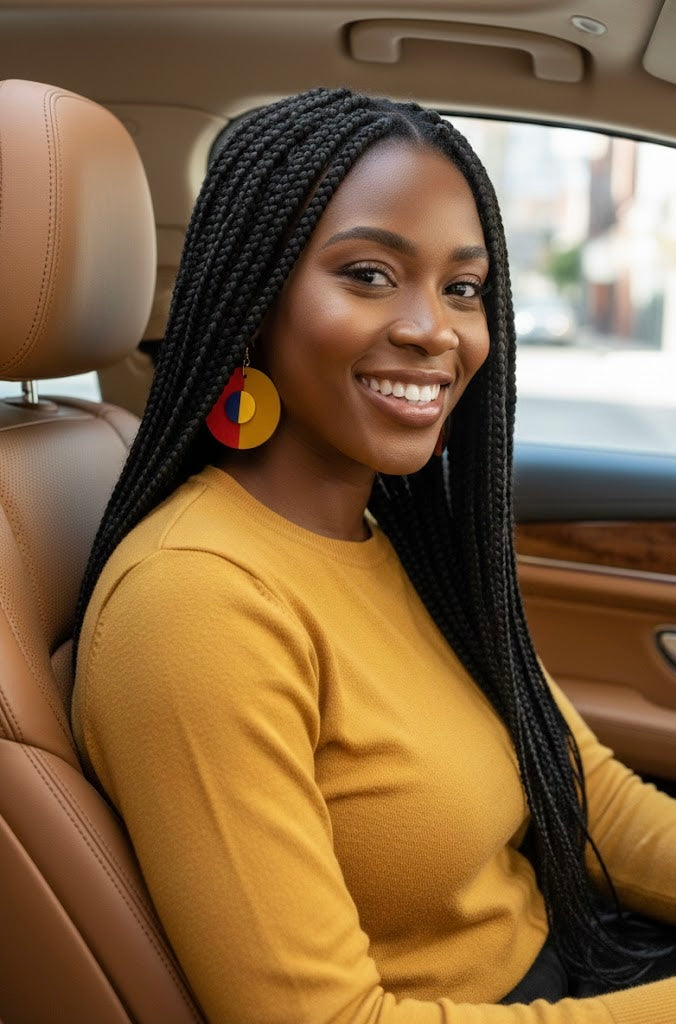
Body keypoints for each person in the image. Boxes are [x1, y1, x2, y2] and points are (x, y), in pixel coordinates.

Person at [71, 88, 676, 1023]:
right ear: (255, 299)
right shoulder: (196, 602)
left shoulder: (402, 541)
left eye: (462, 287)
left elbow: (589, 792)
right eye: (367, 274)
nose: (434, 329)